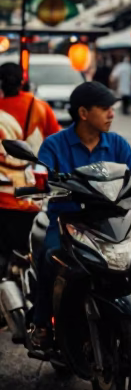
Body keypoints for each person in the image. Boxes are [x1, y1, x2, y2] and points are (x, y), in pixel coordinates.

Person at [32, 82, 131, 346]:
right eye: (105, 108)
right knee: (51, 258)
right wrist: (41, 182)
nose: (111, 114)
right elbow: (42, 178)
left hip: (110, 221)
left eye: (112, 109)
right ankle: (41, 323)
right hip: (68, 221)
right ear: (83, 113)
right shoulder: (54, 145)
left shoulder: (117, 143)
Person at [0, 63, 60, 257]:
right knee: (29, 252)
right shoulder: (40, 107)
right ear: (23, 81)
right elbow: (56, 144)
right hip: (32, 196)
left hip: (2, 198)